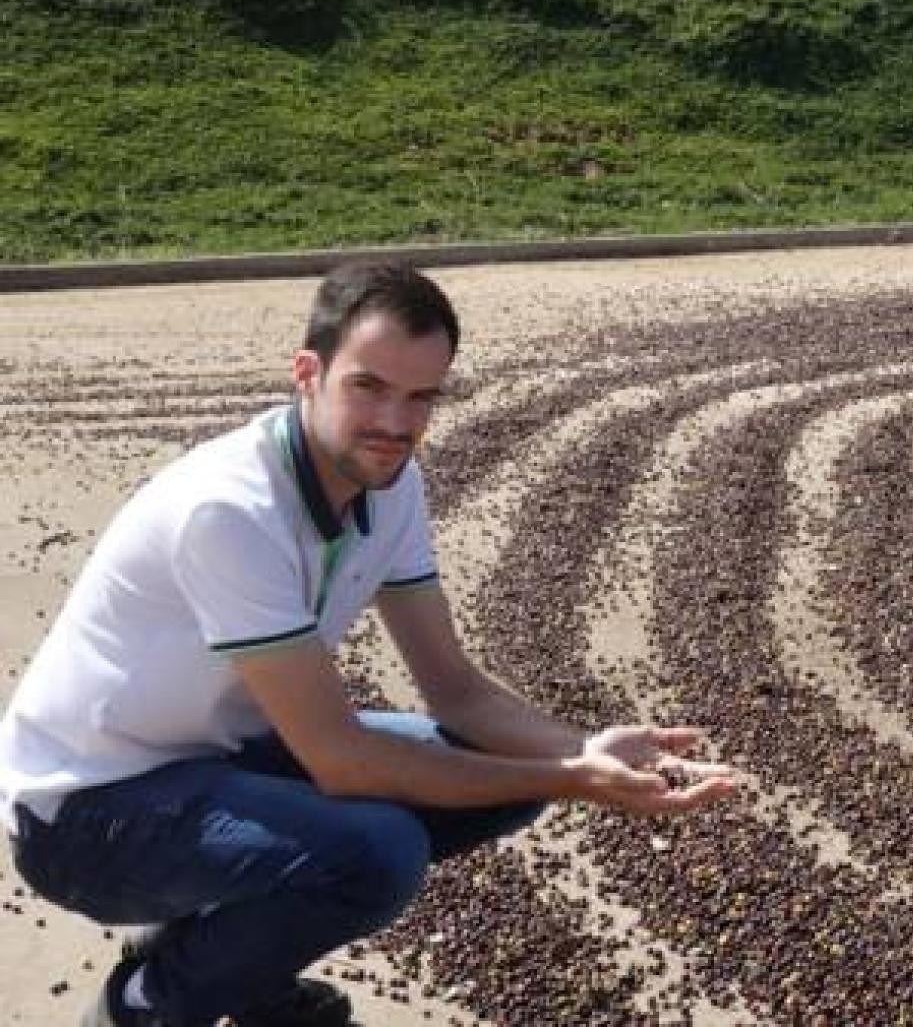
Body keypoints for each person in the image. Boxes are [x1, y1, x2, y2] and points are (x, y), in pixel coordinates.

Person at [0, 262, 736, 1027]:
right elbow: (341, 760)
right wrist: (572, 776)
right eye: (369, 387)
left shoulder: (391, 487)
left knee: (499, 782)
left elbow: (458, 691)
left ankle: (217, 952)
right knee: (377, 852)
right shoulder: (228, 511)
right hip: (85, 817)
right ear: (308, 374)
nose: (396, 422)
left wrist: (586, 751)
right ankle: (145, 1006)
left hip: (208, 761)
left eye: (422, 397)